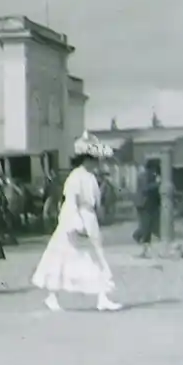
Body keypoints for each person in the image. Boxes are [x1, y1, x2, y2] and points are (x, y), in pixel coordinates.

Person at [31, 132, 121, 312]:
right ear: (85, 159)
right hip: (75, 220)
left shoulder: (90, 177)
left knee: (96, 257)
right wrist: (76, 224)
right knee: (63, 259)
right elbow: (71, 202)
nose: (97, 163)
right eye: (94, 160)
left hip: (89, 217)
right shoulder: (75, 177)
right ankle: (52, 296)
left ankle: (102, 297)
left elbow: (94, 200)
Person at [132, 158, 161, 256]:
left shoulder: (149, 174)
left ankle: (146, 247)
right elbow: (145, 188)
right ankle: (138, 237)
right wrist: (157, 184)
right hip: (144, 203)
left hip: (148, 203)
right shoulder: (145, 175)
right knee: (146, 225)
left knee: (149, 225)